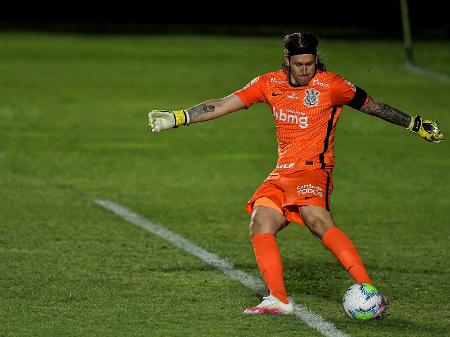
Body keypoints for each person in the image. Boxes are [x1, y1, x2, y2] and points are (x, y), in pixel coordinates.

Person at [147, 32, 444, 316]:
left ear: (316, 60)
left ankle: (369, 292)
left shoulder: (332, 86)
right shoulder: (269, 83)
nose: (305, 70)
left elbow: (373, 106)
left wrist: (414, 124)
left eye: (310, 64)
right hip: (282, 172)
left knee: (317, 221)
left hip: (314, 171)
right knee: (260, 221)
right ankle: (278, 300)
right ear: (287, 61)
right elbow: (225, 103)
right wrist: (180, 117)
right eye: (299, 64)